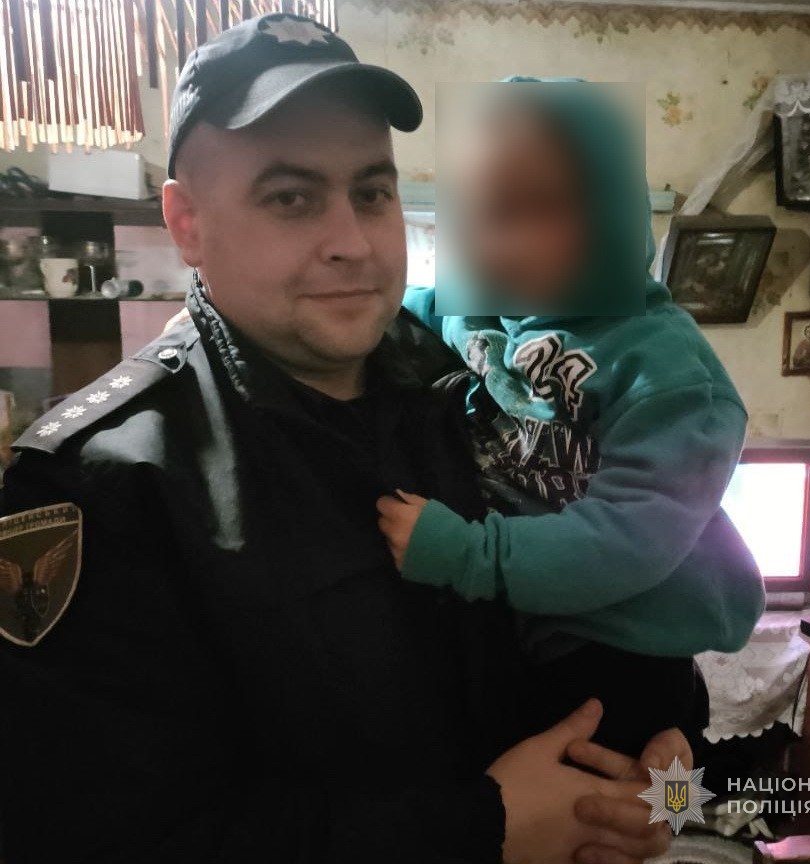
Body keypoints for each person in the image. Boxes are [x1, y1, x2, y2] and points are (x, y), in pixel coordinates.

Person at [0, 18, 683, 864]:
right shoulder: (102, 484)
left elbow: (636, 610)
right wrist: (483, 828)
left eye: (372, 193)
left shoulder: (487, 386)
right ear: (187, 223)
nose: (353, 244)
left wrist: (669, 759)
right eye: (291, 198)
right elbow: (100, 839)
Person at [379, 79, 765, 757]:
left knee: (635, 802)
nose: (494, 238)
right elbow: (381, 310)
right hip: (528, 626)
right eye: (477, 210)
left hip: (625, 653)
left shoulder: (668, 372)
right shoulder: (475, 307)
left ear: (607, 212)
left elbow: (629, 538)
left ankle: (681, 803)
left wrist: (469, 554)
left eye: (536, 206)